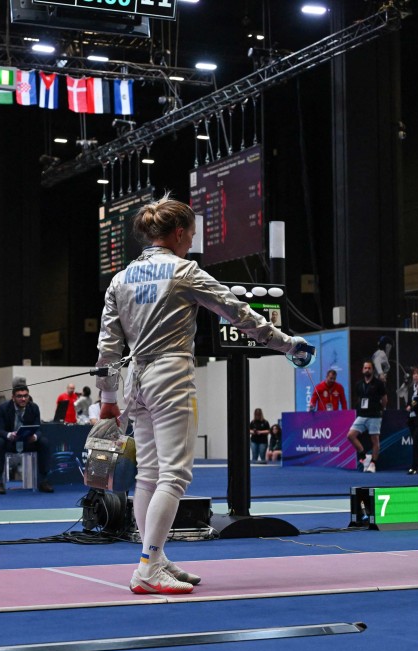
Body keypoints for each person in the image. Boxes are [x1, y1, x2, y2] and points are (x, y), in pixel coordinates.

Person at [95, 194, 310, 595]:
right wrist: (287, 345)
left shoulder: (120, 279)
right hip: (170, 376)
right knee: (174, 475)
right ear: (178, 234)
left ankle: (153, 557)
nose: (191, 241)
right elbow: (238, 313)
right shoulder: (184, 271)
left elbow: (108, 348)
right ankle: (147, 566)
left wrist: (108, 396)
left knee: (150, 474)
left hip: (134, 381)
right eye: (190, 234)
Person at [0, 383, 53, 494]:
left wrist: (35, 436)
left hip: (27, 441)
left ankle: (43, 480)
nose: (23, 399)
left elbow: (39, 428)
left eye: (26, 396)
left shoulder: (33, 407)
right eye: (19, 396)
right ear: (13, 397)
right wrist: (9, 435)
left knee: (44, 442)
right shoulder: (3, 408)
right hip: (9, 442)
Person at [346, 360, 387, 472]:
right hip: (362, 415)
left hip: (374, 415)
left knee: (375, 441)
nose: (367, 370)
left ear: (372, 370)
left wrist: (380, 409)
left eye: (369, 368)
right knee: (350, 435)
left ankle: (373, 463)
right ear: (362, 370)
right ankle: (363, 455)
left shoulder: (378, 383)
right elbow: (359, 399)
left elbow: (384, 399)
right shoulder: (359, 384)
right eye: (365, 368)